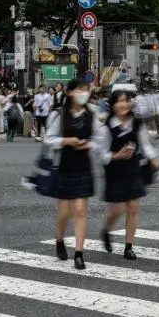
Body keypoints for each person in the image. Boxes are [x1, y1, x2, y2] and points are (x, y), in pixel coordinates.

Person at [44, 79, 107, 270]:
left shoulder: (92, 113)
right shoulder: (59, 114)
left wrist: (89, 145)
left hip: (83, 164)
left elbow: (99, 139)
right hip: (64, 164)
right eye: (80, 89)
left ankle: (79, 253)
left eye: (86, 89)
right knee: (63, 212)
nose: (84, 93)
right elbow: (49, 139)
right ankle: (59, 240)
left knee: (80, 210)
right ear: (70, 92)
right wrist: (66, 141)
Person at [99, 91, 159, 261]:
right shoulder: (107, 127)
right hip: (114, 171)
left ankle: (129, 247)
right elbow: (101, 154)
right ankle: (106, 230)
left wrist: (153, 159)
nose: (123, 104)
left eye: (126, 101)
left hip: (133, 169)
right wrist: (116, 155)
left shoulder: (137, 123)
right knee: (117, 210)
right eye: (119, 101)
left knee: (133, 208)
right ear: (112, 105)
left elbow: (145, 145)